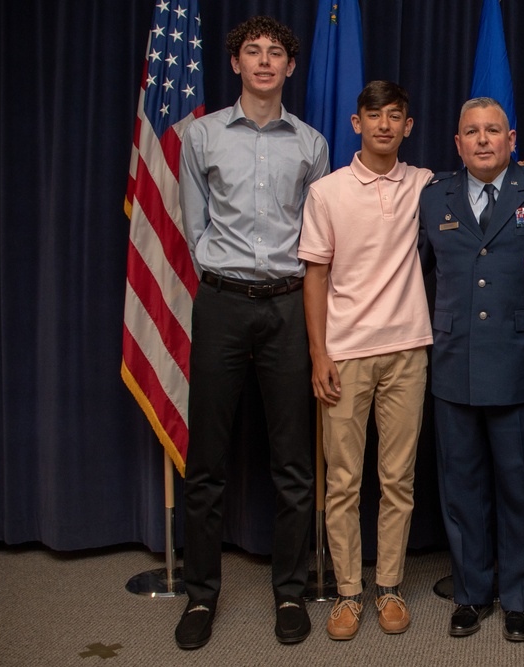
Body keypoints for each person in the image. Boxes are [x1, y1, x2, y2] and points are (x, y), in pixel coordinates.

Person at [176, 16, 329, 650]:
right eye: (252, 52)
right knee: (207, 463)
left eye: (275, 54)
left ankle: (290, 592)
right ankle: (200, 596)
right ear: (236, 63)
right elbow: (194, 226)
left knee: (293, 463)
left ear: (290, 68)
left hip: (290, 309)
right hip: (222, 307)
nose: (264, 62)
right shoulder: (201, 135)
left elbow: (319, 239)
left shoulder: (312, 144)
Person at [417, 97, 524, 642]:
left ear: (512, 138)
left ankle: (519, 598)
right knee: (462, 488)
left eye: (493, 131)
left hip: (522, 365)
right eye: (471, 132)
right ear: (457, 143)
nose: (482, 140)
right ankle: (472, 593)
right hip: (454, 366)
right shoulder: (434, 199)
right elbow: (415, 277)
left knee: (519, 489)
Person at [298, 81, 432, 641]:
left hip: (407, 351)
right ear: (356, 124)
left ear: (407, 126)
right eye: (373, 115)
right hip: (346, 354)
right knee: (344, 481)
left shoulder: (427, 186)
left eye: (394, 116)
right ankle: (349, 593)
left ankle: (391, 586)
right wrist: (318, 353)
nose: (383, 125)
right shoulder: (326, 192)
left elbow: (488, 185)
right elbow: (316, 275)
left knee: (397, 478)